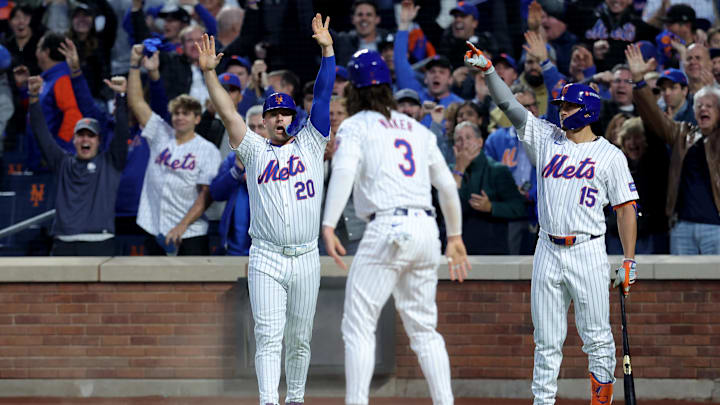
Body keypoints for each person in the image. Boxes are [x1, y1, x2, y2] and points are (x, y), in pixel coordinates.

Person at [465, 41, 639, 404]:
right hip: (547, 247)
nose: (562, 111)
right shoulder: (546, 138)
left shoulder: (610, 155)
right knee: (545, 340)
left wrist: (628, 260)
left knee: (597, 337)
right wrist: (490, 72)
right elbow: (509, 106)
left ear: (588, 109)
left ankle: (600, 402)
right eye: (561, 105)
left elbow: (625, 208)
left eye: (570, 105)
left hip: (589, 248)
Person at [199, 13, 334, 405]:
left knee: (300, 338)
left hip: (307, 256)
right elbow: (227, 113)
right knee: (268, 335)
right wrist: (210, 75)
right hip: (267, 257)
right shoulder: (255, 151)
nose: (278, 118)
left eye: (284, 112)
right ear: (264, 120)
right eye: (272, 114)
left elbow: (324, 94)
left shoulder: (311, 142)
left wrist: (327, 49)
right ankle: (268, 401)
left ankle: (295, 398)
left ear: (294, 117)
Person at [322, 49, 470, 405]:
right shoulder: (416, 127)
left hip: (387, 228)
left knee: (358, 326)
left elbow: (342, 172)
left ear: (354, 91)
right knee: (424, 330)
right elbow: (448, 186)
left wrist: (328, 223)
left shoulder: (357, 125)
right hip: (426, 229)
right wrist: (455, 235)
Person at [127, 42, 222, 256]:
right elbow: (136, 102)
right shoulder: (161, 134)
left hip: (191, 233)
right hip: (154, 226)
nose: (179, 117)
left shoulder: (207, 150)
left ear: (197, 118)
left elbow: (205, 197)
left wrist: (182, 225)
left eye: (186, 113)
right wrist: (134, 66)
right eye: (176, 113)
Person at [627, 44, 720, 254]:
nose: (703, 108)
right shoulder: (682, 134)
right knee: (682, 285)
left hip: (716, 227)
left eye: (710, 105)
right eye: (699, 106)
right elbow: (655, 119)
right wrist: (640, 82)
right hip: (681, 227)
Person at [27, 74, 129, 256]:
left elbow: (121, 132)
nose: (85, 140)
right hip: (64, 242)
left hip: (99, 242)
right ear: (73, 140)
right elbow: (41, 133)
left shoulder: (110, 162)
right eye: (80, 135)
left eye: (90, 135)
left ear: (99, 141)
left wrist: (121, 98)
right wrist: (33, 99)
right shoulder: (63, 162)